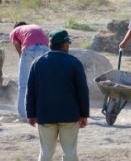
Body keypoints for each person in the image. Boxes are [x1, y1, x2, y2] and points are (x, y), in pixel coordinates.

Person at [26, 30, 89, 161]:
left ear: (50, 45)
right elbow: (82, 91)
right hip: (69, 116)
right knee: (70, 152)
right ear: (65, 45)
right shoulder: (74, 63)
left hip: (45, 115)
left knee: (46, 153)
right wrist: (84, 114)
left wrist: (30, 114)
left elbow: (31, 91)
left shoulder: (38, 63)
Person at [10, 22, 49, 122]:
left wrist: (21, 58)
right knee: (44, 83)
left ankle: (23, 115)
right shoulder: (36, 27)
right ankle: (44, 113)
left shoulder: (14, 31)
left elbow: (17, 45)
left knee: (23, 84)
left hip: (30, 50)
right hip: (45, 50)